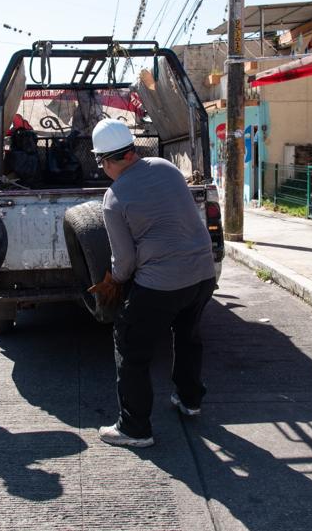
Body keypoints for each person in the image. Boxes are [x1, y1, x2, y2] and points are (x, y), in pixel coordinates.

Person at [87, 119, 217, 448]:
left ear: (106, 160)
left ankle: (135, 428)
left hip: (161, 284)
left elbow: (125, 262)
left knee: (130, 345)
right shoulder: (166, 167)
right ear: (132, 150)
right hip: (202, 275)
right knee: (188, 335)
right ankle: (190, 400)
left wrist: (112, 282)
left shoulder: (114, 198)